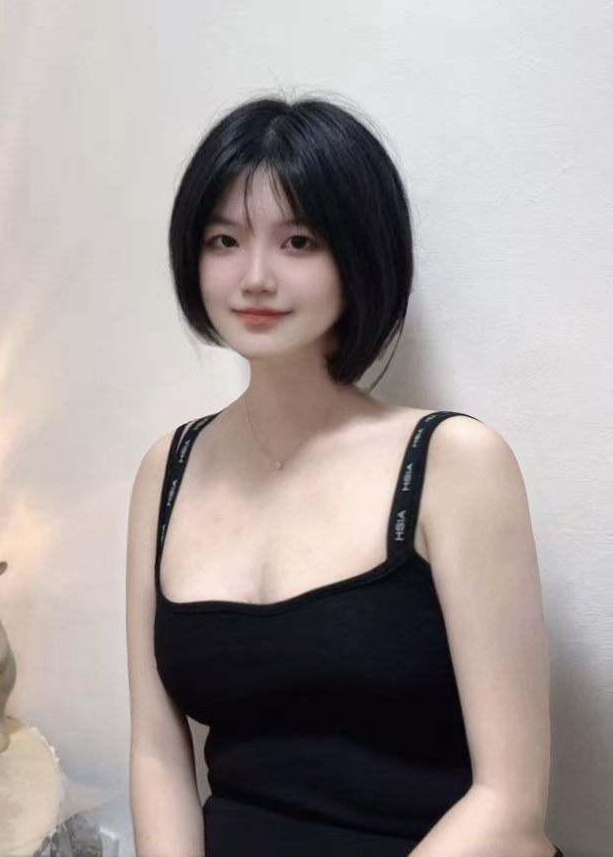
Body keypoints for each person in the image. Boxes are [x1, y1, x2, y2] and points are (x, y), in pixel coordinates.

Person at [126, 95, 563, 857]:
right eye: (224, 239)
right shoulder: (169, 468)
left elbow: (510, 801)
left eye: (298, 241)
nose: (254, 277)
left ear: (358, 253)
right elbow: (158, 753)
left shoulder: (454, 463)